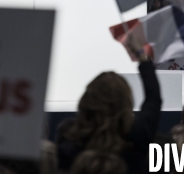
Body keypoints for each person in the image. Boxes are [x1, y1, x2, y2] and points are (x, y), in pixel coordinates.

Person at [57, 27, 161, 173]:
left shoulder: (70, 136)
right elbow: (153, 97)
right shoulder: (137, 136)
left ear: (87, 100)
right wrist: (141, 54)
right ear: (126, 102)